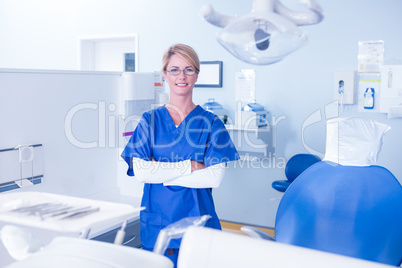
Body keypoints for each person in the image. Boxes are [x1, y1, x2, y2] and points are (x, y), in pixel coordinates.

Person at [121, 43, 239, 266]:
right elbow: (142, 173)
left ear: (196, 75)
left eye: (189, 69)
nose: (181, 76)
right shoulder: (150, 121)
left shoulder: (212, 123)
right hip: (159, 223)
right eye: (174, 69)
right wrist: (190, 166)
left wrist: (161, 173)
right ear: (164, 75)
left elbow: (214, 177)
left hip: (199, 223)